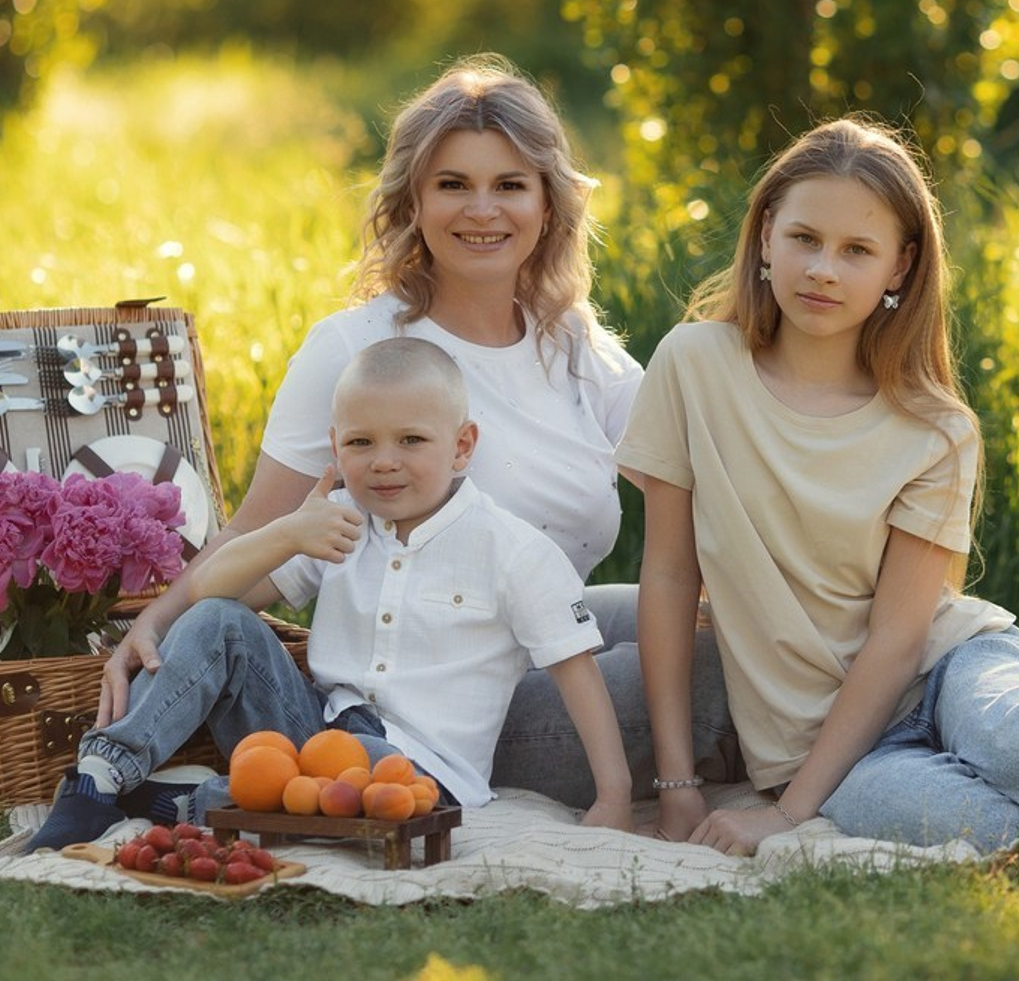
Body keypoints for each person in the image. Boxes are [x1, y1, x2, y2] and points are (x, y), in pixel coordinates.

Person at [618, 116, 1019, 856]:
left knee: (1018, 748)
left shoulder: (934, 428)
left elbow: (901, 640)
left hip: (949, 667)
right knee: (975, 826)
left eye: (857, 250)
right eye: (805, 238)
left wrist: (784, 815)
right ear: (767, 234)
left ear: (899, 268)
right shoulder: (692, 364)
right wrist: (679, 785)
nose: (823, 269)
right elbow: (672, 574)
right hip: (841, 752)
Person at [98, 54, 736, 809]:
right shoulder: (353, 350)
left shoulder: (574, 348)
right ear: (413, 201)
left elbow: (703, 476)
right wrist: (152, 627)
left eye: (509, 185)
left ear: (548, 204)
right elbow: (261, 536)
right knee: (708, 675)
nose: (482, 211)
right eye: (453, 185)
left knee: (729, 631)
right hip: (438, 699)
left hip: (534, 636)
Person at [27, 338, 632, 851]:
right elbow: (211, 593)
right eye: (361, 443)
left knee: (351, 771)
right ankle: (101, 778)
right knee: (219, 619)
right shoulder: (337, 521)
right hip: (313, 725)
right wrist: (285, 534)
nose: (384, 463)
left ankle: (187, 803)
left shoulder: (511, 551)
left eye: (412, 441)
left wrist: (615, 796)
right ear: (336, 446)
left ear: (463, 446)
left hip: (413, 771)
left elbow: (576, 672)